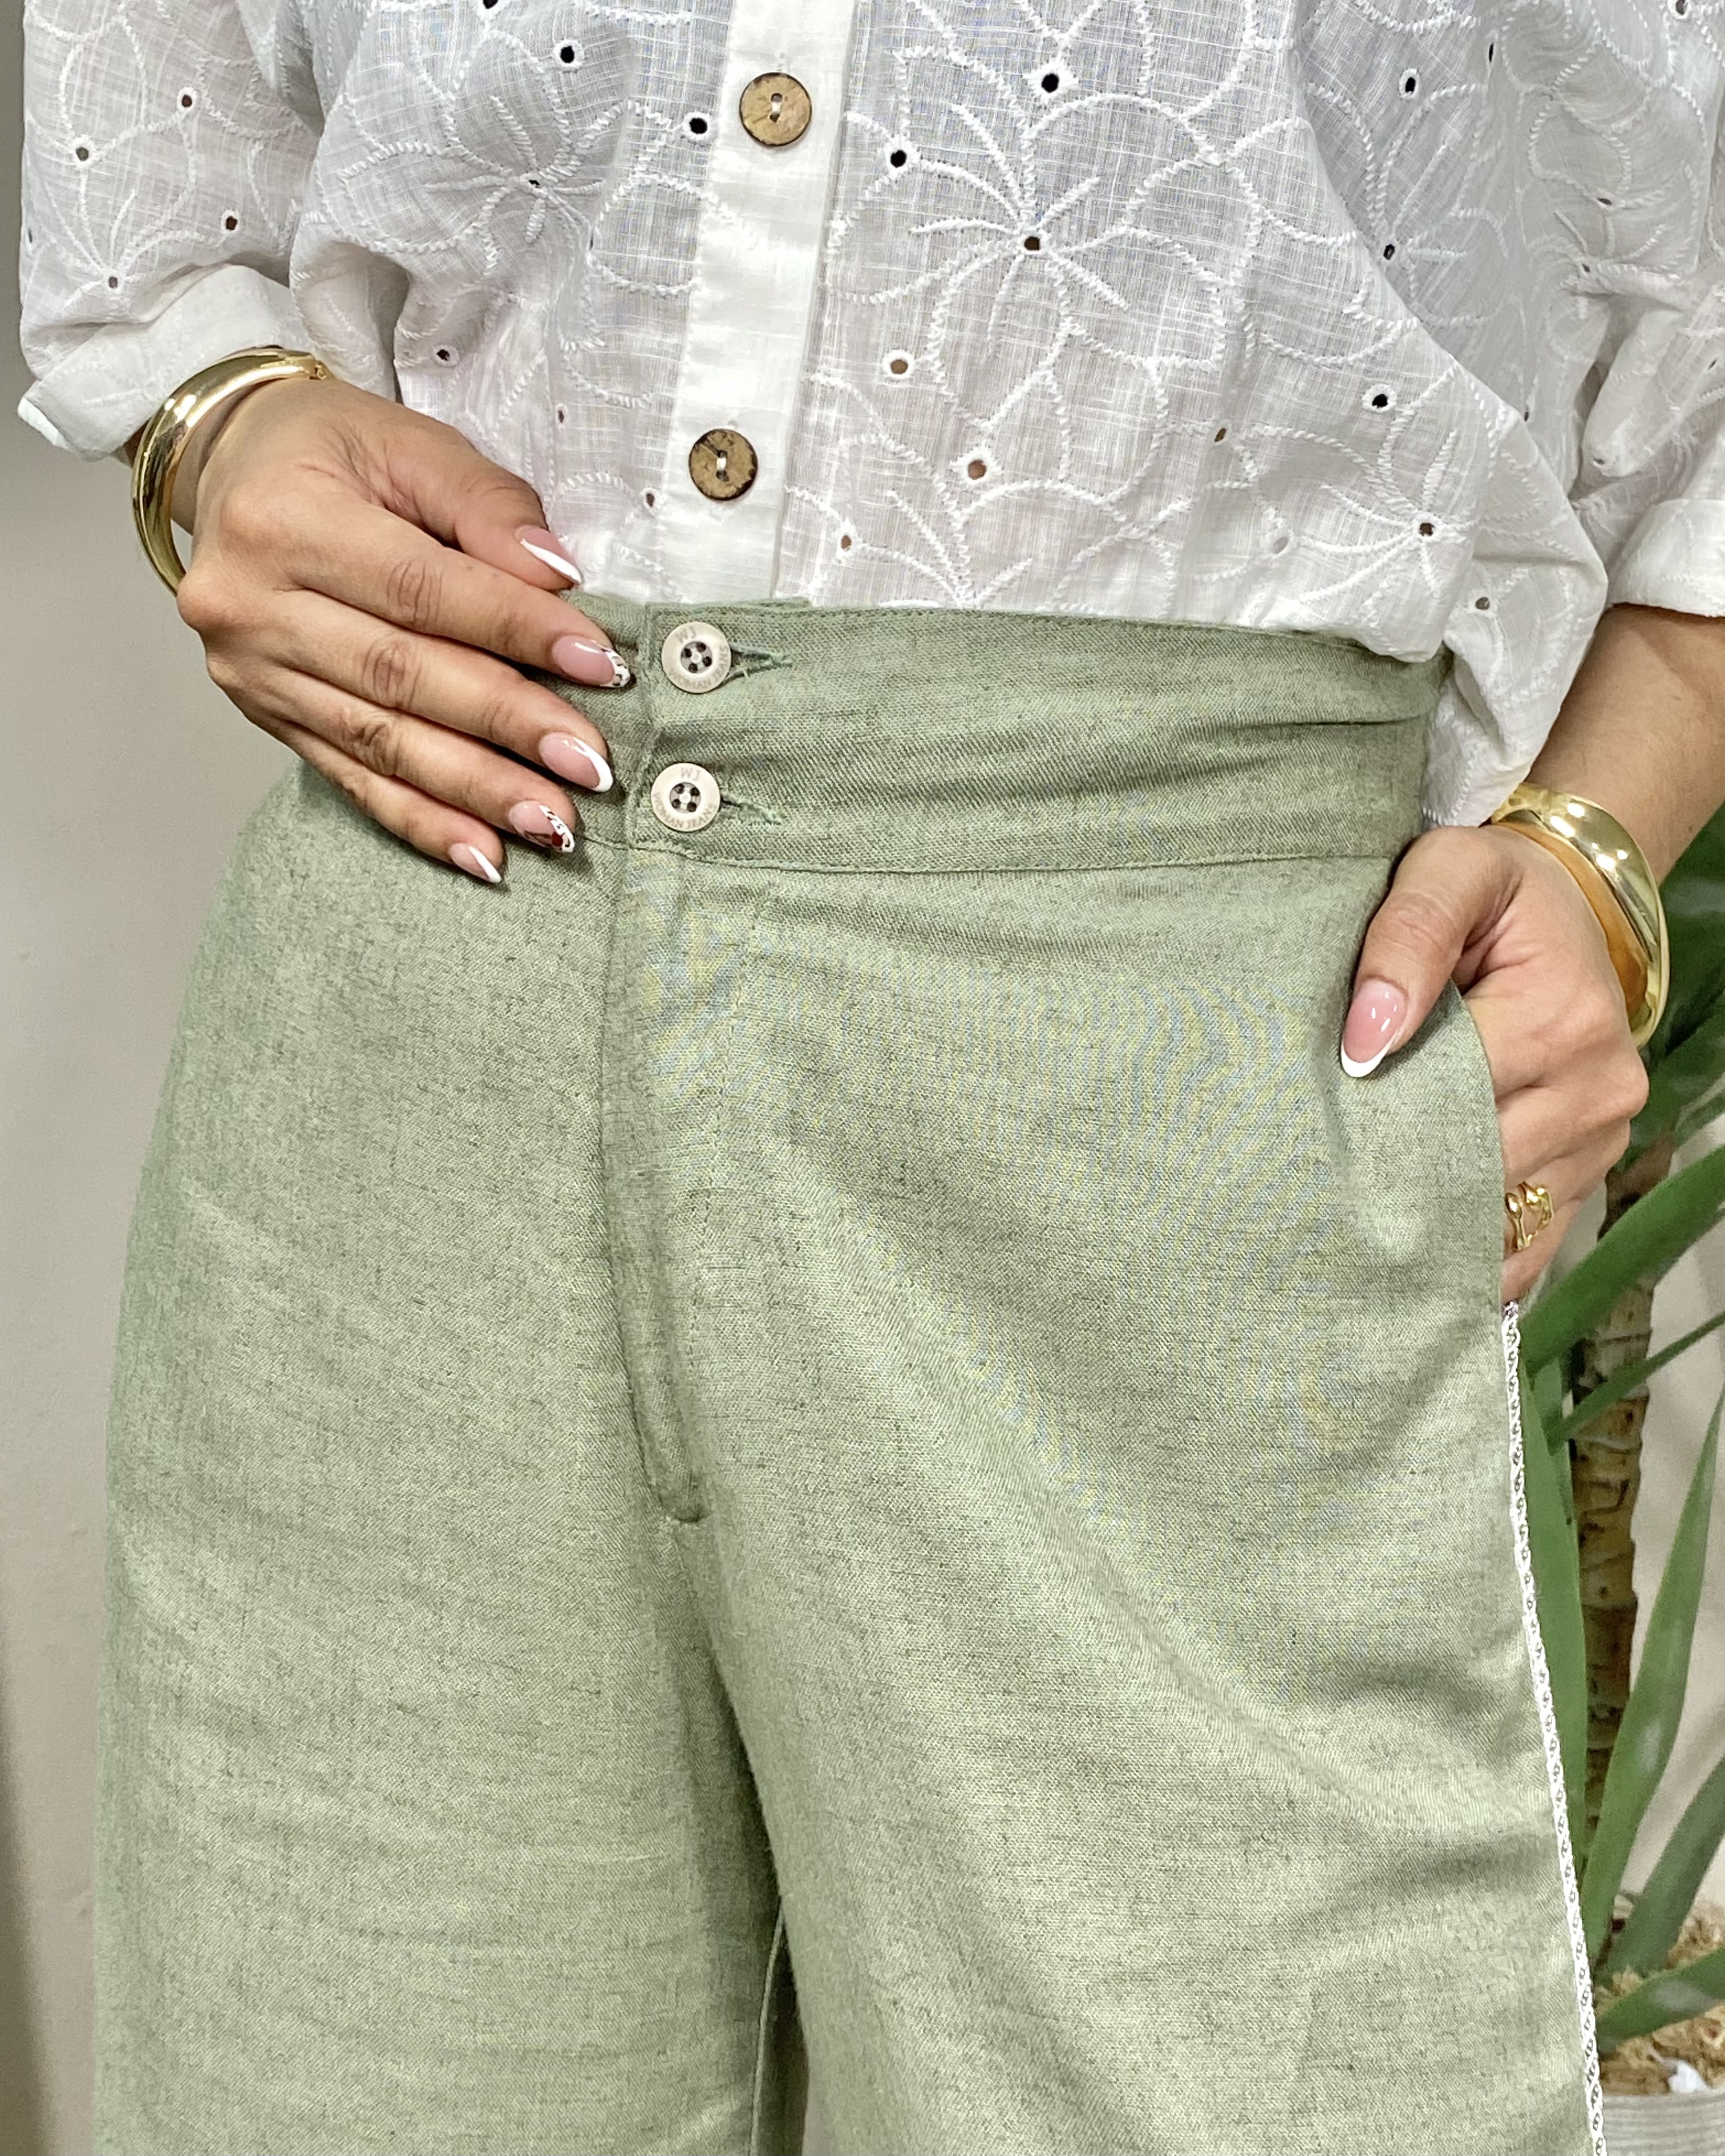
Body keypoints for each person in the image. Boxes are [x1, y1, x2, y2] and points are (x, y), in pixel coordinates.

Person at [18, 3, 1725, 2151]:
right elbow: (163, 151)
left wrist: (1599, 848)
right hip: (419, 1002)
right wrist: (223, 417)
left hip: (1181, 1047)